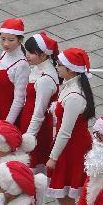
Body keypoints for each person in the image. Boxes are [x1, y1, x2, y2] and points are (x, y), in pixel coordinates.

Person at [47, 47, 95, 205]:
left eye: (60, 65)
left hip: (71, 149)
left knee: (66, 195)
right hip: (70, 146)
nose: (57, 67)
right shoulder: (71, 86)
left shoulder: (75, 96)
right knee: (65, 194)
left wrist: (53, 157)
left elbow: (65, 132)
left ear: (71, 70)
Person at [19, 32, 60, 175]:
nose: (27, 55)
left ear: (43, 55)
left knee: (33, 171)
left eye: (31, 53)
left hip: (37, 128)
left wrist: (29, 137)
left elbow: (39, 112)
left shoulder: (45, 79)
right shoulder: (39, 69)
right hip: (28, 120)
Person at [0, 18, 28, 125]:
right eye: (3, 39)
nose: (6, 44)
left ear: (20, 40)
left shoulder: (21, 65)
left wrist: (7, 124)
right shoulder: (4, 53)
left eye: (11, 40)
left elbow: (19, 99)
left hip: (8, 113)